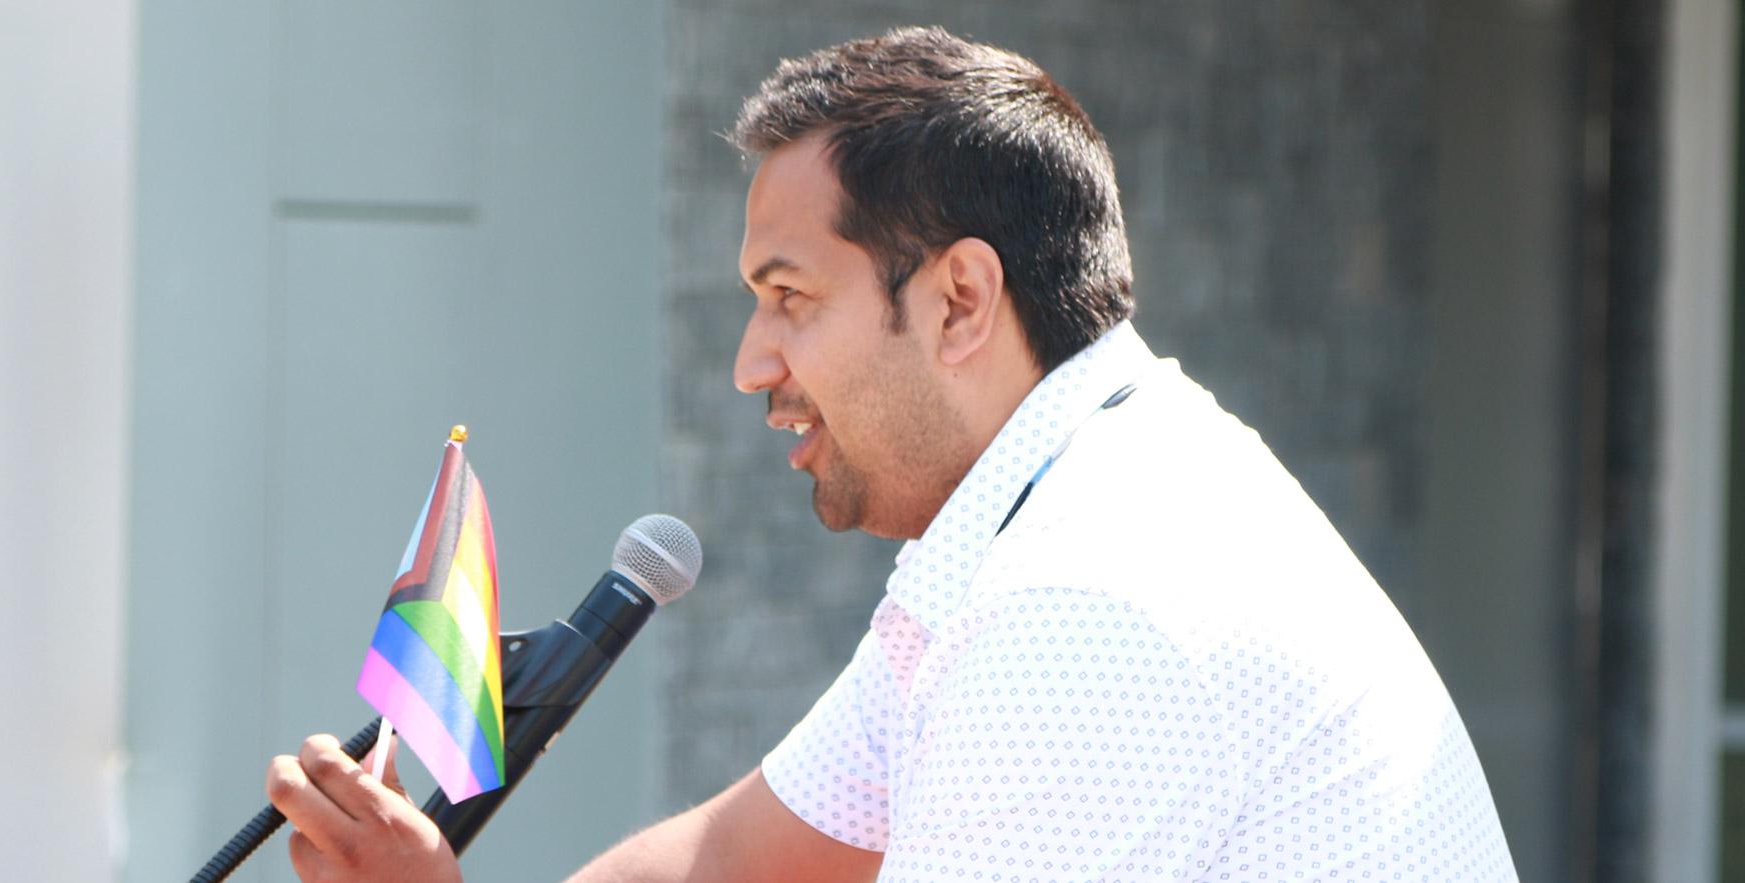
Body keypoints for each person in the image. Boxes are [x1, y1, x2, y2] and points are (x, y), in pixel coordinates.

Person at [265, 26, 1518, 882]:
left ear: (963, 301)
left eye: (791, 297)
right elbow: (730, 864)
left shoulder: (1094, 600)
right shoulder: (1044, 506)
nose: (754, 362)